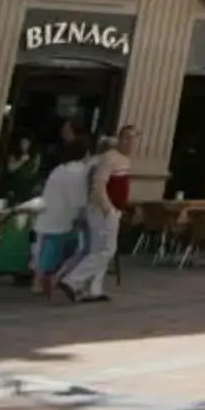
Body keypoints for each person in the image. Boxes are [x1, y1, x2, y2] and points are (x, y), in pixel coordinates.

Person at [57, 125, 137, 303]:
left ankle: (93, 289)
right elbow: (99, 184)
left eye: (135, 139)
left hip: (110, 209)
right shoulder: (109, 158)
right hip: (102, 210)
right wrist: (108, 208)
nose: (132, 143)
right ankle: (72, 280)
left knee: (99, 249)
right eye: (129, 138)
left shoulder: (123, 160)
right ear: (121, 139)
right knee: (106, 250)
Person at [30, 145, 90, 299]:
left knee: (47, 249)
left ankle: (41, 282)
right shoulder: (79, 172)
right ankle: (49, 281)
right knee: (63, 250)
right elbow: (78, 198)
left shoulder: (59, 169)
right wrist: (82, 215)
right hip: (64, 217)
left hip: (49, 213)